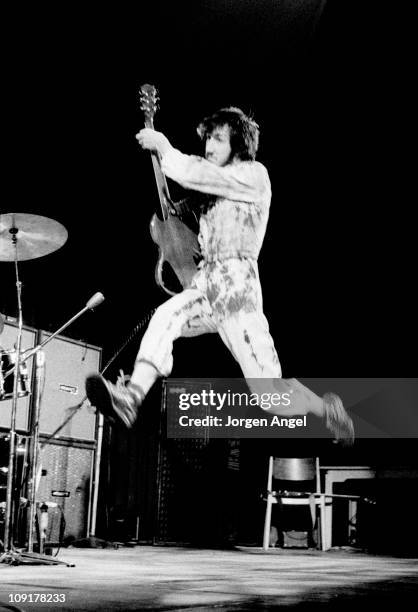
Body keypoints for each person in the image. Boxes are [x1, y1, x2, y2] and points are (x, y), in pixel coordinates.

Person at [85, 107, 354, 444]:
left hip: (238, 291)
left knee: (270, 397)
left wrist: (165, 149)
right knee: (166, 316)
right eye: (208, 139)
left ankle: (323, 408)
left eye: (217, 139)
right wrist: (175, 214)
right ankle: (132, 397)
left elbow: (200, 174)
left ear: (238, 144)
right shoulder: (211, 195)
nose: (209, 146)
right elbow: (186, 232)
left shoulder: (254, 175)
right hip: (207, 286)